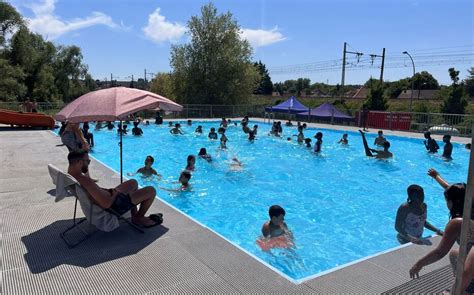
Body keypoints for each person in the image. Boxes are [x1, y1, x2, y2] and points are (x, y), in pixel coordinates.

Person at [409, 172, 470, 294]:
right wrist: (436, 176)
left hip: (471, 269)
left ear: (452, 203)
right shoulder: (469, 206)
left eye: (447, 201)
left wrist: (419, 264)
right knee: (454, 254)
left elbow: (440, 252)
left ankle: (464, 290)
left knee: (454, 256)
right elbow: (454, 190)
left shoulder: (457, 223)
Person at [67, 150, 160, 227]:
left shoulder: (72, 176)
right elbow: (106, 204)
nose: (88, 164)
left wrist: (109, 191)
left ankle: (134, 213)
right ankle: (138, 218)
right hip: (115, 204)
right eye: (88, 161)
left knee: (133, 182)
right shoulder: (85, 180)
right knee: (151, 190)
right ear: (79, 162)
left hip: (109, 196)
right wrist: (114, 194)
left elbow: (95, 193)